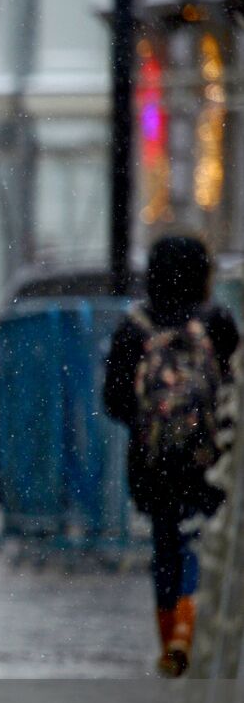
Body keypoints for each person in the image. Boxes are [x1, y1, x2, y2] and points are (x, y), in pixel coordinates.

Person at [103, 235, 238, 677]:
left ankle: (169, 641)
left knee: (165, 543)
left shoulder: (135, 326)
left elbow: (116, 400)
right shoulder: (217, 322)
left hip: (153, 459)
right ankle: (189, 626)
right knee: (198, 535)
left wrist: (154, 423)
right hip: (208, 454)